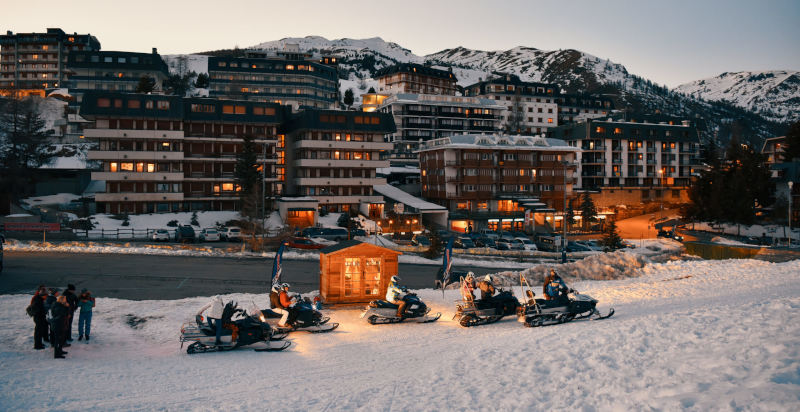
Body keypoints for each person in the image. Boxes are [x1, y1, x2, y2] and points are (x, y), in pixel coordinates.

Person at [30, 285, 48, 350]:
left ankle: (39, 343)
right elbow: (39, 310)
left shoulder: (38, 298)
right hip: (38, 318)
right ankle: (37, 345)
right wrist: (44, 312)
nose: (46, 297)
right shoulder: (38, 300)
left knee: (39, 331)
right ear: (42, 295)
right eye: (45, 295)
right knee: (38, 331)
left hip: (39, 317)